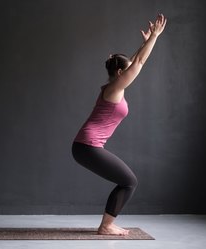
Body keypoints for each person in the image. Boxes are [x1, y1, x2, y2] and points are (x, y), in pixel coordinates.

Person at [72, 14, 167, 235]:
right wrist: (155, 36)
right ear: (121, 73)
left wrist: (144, 43)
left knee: (127, 181)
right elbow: (139, 63)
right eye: (128, 69)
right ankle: (106, 226)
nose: (133, 70)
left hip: (85, 146)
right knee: (129, 181)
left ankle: (106, 224)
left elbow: (135, 61)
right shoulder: (114, 89)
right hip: (87, 146)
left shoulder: (114, 86)